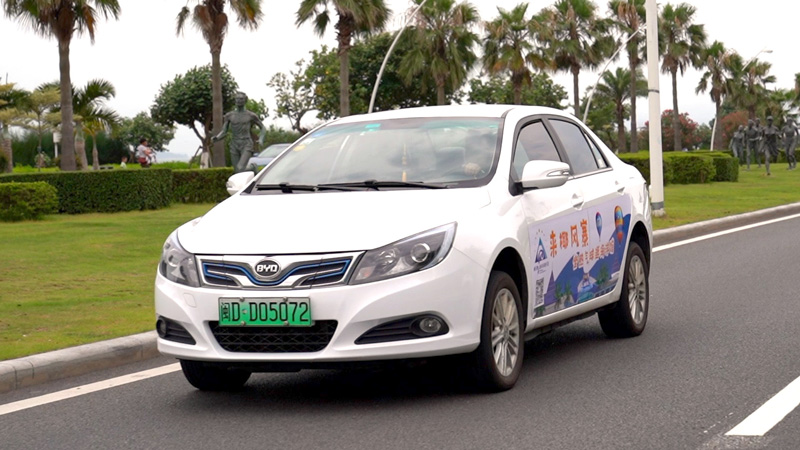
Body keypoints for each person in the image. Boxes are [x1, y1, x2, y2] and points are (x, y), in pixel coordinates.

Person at [212, 91, 267, 173]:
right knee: (237, 171)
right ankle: (248, 175)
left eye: (241, 99)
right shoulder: (229, 115)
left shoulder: (251, 115)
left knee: (240, 167)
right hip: (234, 144)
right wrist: (217, 137)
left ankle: (252, 167)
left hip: (246, 144)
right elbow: (224, 131)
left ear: (245, 100)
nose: (239, 101)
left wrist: (261, 139)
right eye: (237, 99)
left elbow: (262, 128)